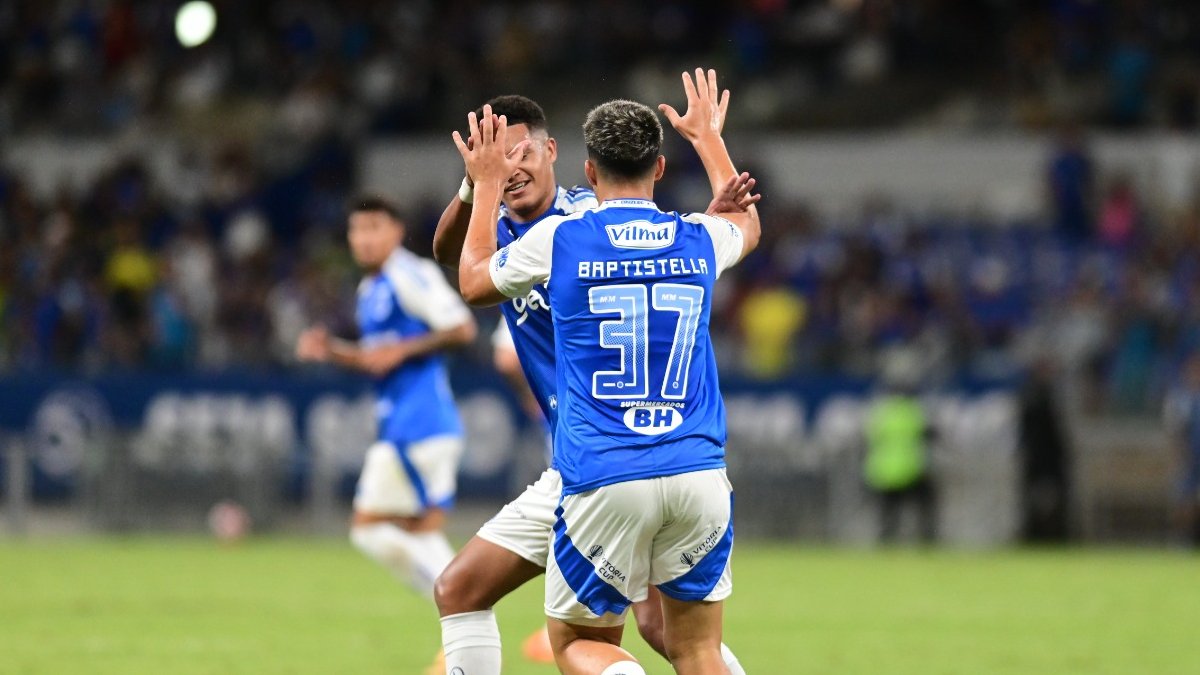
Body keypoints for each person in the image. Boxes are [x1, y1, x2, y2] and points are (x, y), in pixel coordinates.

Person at [431, 93, 753, 674]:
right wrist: (473, 188)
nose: (511, 167)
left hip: (600, 459)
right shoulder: (508, 223)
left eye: (521, 152)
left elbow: (472, 280)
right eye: (496, 160)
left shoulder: (573, 227)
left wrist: (481, 186)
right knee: (460, 589)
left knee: (609, 634)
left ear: (561, 156)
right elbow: (448, 253)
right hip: (636, 457)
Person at [295, 196, 477, 672]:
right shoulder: (370, 287)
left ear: (396, 233)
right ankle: (463, 623)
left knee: (371, 527)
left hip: (421, 424)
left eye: (374, 227)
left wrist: (404, 350)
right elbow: (378, 356)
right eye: (357, 230)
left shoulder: (407, 272)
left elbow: (460, 327)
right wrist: (332, 351)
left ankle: (467, 607)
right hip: (408, 424)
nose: (364, 238)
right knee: (411, 529)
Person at [1163, 353, 1200, 547]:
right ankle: (1181, 540)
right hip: (1190, 458)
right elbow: (1174, 431)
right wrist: (1177, 457)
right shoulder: (1180, 399)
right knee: (1184, 500)